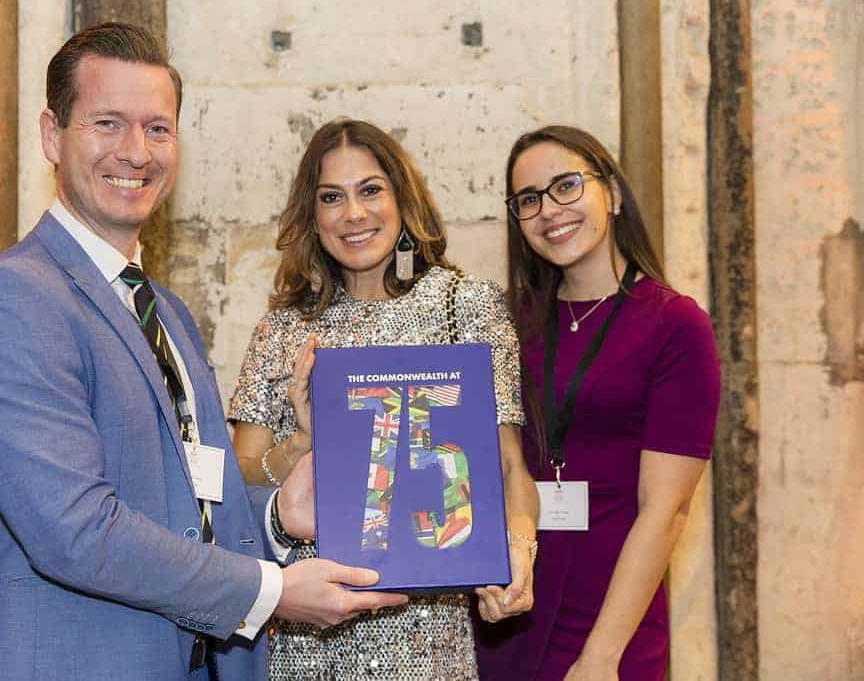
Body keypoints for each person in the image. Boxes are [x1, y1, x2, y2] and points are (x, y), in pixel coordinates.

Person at [0, 23, 404, 681]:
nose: (136, 152)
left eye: (158, 129)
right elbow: (76, 530)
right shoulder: (5, 302)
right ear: (51, 135)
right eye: (107, 123)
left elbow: (186, 506)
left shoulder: (165, 313)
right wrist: (272, 590)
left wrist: (276, 515)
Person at [228, 118, 541, 679]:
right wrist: (303, 440)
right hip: (307, 644)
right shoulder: (284, 328)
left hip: (430, 642)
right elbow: (241, 483)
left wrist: (520, 551)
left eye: (370, 190)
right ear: (311, 215)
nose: (354, 213)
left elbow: (510, 467)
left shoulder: (466, 308)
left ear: (402, 198)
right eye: (332, 197)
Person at [473, 125, 721, 680]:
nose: (548, 211)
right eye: (528, 200)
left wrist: (602, 656)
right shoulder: (508, 321)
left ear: (610, 193)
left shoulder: (676, 325)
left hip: (611, 614)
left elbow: (667, 509)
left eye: (566, 186)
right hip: (510, 599)